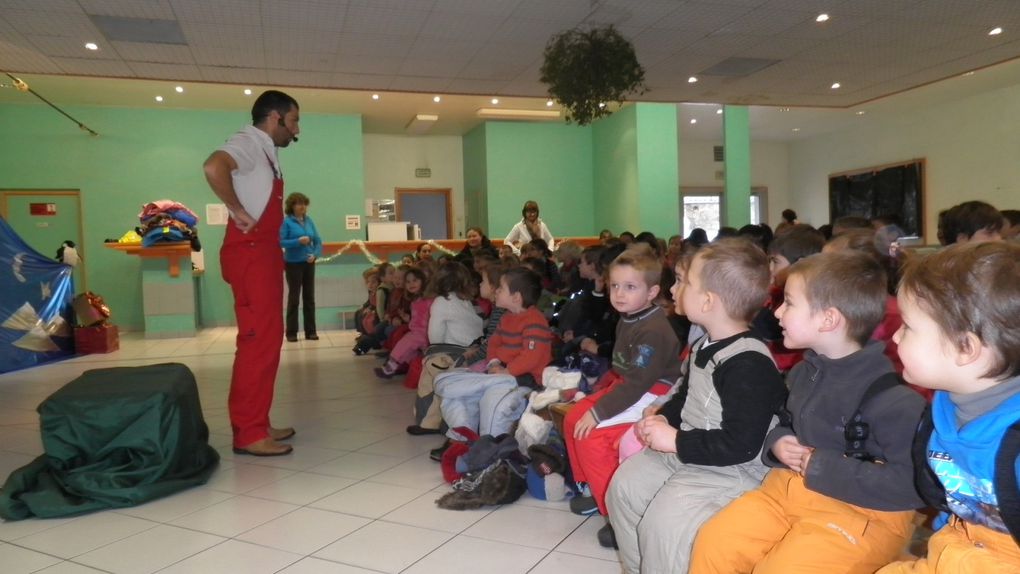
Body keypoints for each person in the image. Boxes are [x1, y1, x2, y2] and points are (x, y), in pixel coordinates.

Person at [690, 251, 926, 574]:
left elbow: (912, 485)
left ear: (828, 319)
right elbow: (786, 420)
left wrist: (824, 467)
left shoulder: (893, 401)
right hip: (789, 493)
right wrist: (779, 440)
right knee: (715, 542)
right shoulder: (804, 373)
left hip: (860, 515)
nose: (777, 313)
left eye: (789, 303)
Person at [605, 239, 786, 573]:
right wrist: (662, 416)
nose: (675, 289)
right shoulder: (706, 343)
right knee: (625, 488)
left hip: (732, 469)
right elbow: (686, 395)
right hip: (693, 451)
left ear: (707, 300)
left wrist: (674, 441)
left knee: (663, 526)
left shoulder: (749, 362)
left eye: (684, 282)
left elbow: (742, 444)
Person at [877, 241, 1020, 574]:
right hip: (957, 545)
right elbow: (956, 503)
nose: (895, 337)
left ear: (965, 348)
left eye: (908, 327)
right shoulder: (944, 407)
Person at [562, 245, 684, 545]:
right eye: (615, 285)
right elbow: (624, 373)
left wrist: (599, 411)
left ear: (653, 291)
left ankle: (618, 515)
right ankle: (595, 489)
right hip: (631, 385)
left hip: (652, 392)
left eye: (630, 287)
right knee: (573, 419)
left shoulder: (653, 329)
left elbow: (638, 383)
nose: (619, 293)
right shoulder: (629, 315)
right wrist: (594, 401)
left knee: (590, 436)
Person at [202, 89, 300, 457]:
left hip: (264, 253)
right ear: (274, 118)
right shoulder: (246, 141)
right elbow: (214, 166)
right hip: (251, 252)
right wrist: (235, 207)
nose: (296, 131)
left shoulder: (264, 151)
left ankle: (258, 421)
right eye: (293, 122)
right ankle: (248, 433)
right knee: (257, 343)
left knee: (268, 341)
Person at [432, 267, 553, 459]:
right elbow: (494, 342)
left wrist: (506, 371)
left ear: (516, 297)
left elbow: (531, 358)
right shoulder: (506, 318)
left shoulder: (534, 320)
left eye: (501, 288)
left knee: (467, 391)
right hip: (499, 374)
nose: (496, 291)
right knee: (454, 395)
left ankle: (489, 452)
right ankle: (462, 440)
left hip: (523, 380)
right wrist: (494, 362)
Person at [280, 192, 322, 342]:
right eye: (299, 203)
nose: (302, 206)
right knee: (294, 298)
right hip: (293, 264)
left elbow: (318, 240)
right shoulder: (287, 222)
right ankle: (291, 332)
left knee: (309, 298)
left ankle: (311, 331)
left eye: (304, 203)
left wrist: (315, 254)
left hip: (309, 263)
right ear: (292, 206)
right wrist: (297, 241)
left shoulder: (309, 221)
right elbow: (281, 242)